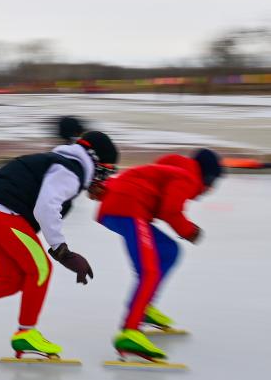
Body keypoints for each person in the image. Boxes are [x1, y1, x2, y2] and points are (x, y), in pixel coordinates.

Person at [0, 131, 119, 358]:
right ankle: (26, 333)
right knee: (41, 269)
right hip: (3, 213)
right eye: (104, 171)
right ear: (94, 160)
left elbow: (2, 173)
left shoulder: (53, 160)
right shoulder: (71, 171)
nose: (102, 179)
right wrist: (63, 252)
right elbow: (46, 207)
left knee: (13, 278)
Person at [94, 148, 222, 360]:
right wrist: (189, 231)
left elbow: (144, 181)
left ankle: (144, 308)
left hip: (125, 206)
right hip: (128, 209)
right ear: (208, 177)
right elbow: (169, 210)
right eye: (213, 183)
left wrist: (105, 187)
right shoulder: (188, 178)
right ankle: (130, 332)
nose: (209, 189)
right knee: (149, 271)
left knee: (169, 250)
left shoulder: (176, 170)